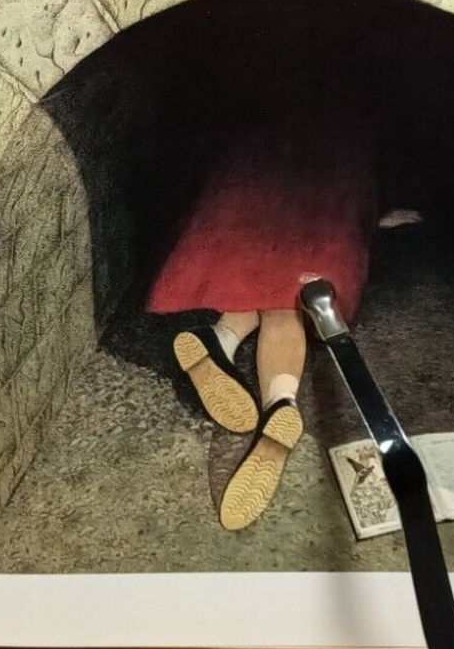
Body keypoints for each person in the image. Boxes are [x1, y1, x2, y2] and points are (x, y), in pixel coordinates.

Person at [148, 111, 415, 532]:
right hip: (323, 197)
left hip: (258, 182)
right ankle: (281, 401)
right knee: (287, 303)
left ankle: (219, 338)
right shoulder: (352, 122)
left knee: (258, 279)